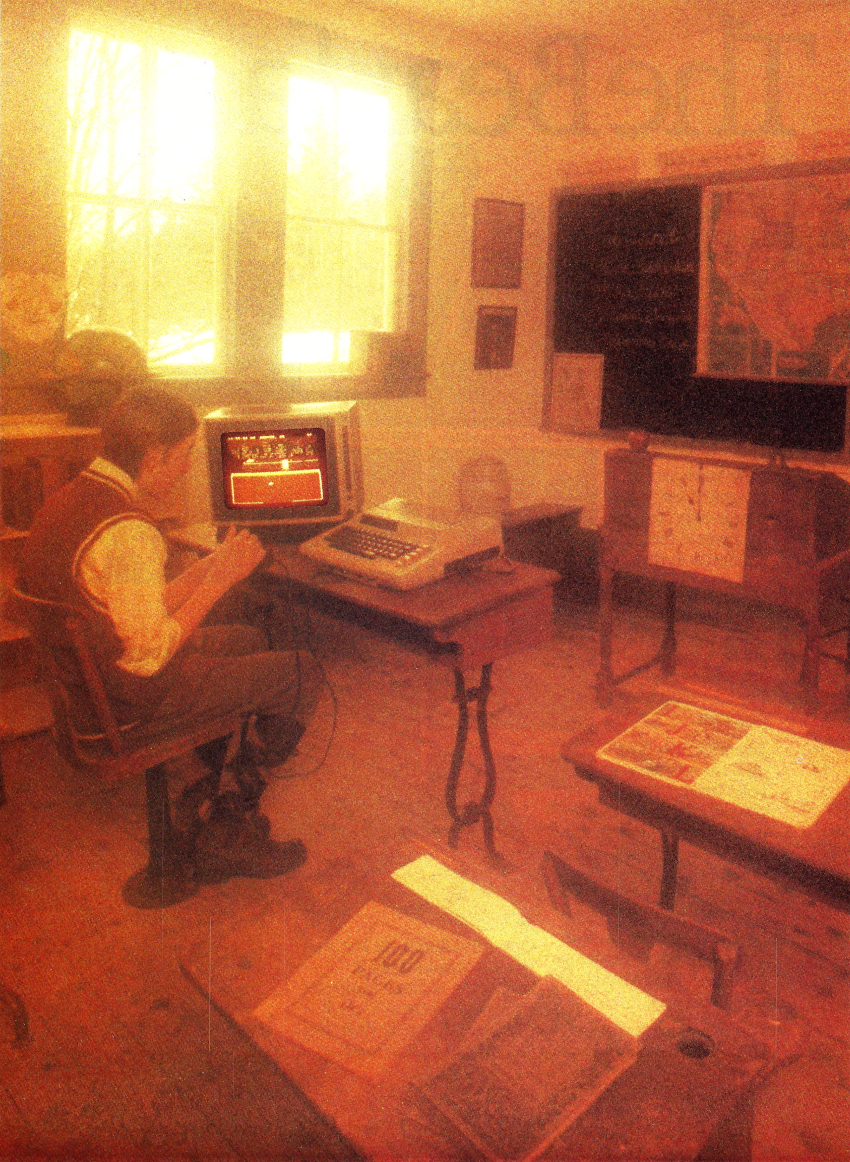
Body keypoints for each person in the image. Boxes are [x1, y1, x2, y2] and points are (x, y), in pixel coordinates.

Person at [18, 385, 313, 884]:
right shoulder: (130, 532)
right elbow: (150, 655)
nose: (187, 467)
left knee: (245, 640)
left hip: (87, 691)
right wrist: (220, 582)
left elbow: (133, 611)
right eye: (186, 453)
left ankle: (210, 790)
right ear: (154, 457)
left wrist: (208, 568)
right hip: (126, 705)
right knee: (300, 672)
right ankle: (229, 824)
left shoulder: (70, 499)